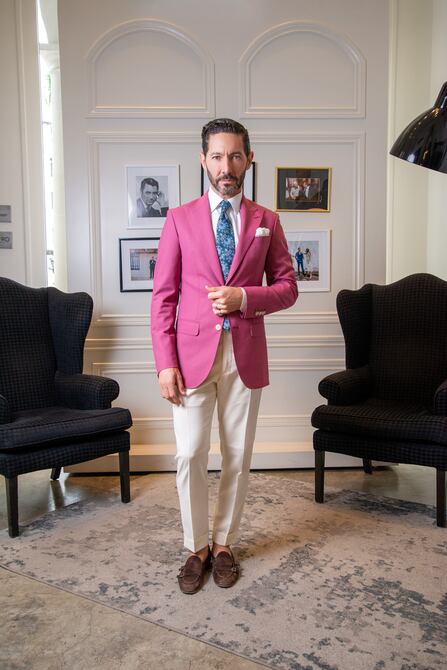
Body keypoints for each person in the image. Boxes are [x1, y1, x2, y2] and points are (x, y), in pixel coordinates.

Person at [151, 118, 298, 595]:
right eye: (216, 156)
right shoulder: (179, 219)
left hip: (245, 355)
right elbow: (164, 297)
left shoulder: (267, 221)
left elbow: (288, 287)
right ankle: (195, 547)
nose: (226, 167)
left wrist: (246, 298)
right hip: (190, 356)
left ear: (248, 159)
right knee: (191, 453)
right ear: (203, 160)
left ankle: (224, 545)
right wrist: (165, 362)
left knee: (237, 455)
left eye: (235, 156)